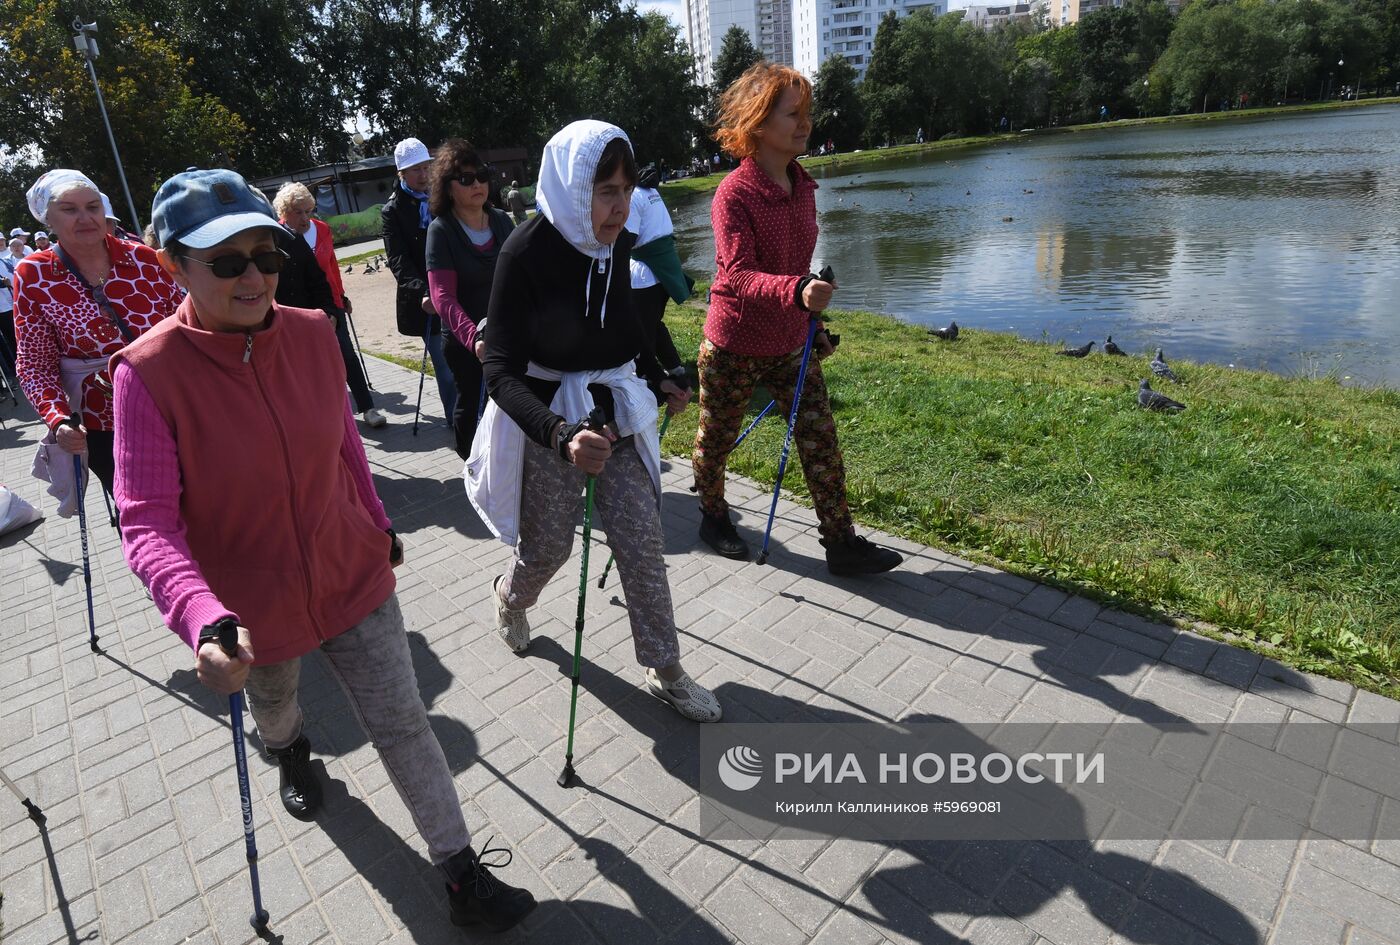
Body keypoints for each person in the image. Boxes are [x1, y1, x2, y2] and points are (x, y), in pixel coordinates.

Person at [111, 168, 536, 932]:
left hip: (350, 569)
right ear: (174, 263)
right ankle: (292, 752)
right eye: (227, 262)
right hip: (250, 606)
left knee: (404, 722)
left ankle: (460, 871)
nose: (254, 277)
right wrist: (203, 618)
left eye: (265, 256)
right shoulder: (147, 373)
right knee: (275, 708)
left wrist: (378, 524)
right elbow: (145, 522)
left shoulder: (311, 332)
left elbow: (346, 446)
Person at [470, 120, 722, 723]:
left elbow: (625, 323)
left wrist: (658, 373)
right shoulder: (523, 253)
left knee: (642, 541)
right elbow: (498, 371)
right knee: (547, 549)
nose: (621, 206)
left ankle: (665, 669)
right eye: (606, 191)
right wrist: (560, 436)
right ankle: (511, 596)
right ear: (571, 187)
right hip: (550, 421)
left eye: (627, 189)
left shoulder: (616, 241)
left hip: (612, 412)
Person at [693, 63, 902, 576]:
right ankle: (713, 516)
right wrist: (797, 291)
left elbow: (795, 267)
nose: (805, 123)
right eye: (793, 114)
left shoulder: (804, 186)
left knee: (821, 443)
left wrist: (814, 325)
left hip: (791, 342)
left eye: (807, 112)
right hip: (734, 344)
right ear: (759, 122)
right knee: (715, 443)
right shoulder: (734, 194)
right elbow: (738, 275)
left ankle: (841, 544)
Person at [14, 169, 182, 497]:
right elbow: (34, 364)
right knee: (140, 504)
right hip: (105, 421)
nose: (85, 217)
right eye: (69, 209)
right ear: (48, 219)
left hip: (175, 402)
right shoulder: (34, 275)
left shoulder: (145, 259)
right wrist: (59, 419)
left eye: (93, 207)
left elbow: (188, 324)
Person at [425, 140, 515, 459]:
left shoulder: (502, 220)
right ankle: (471, 463)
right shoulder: (441, 231)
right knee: (471, 403)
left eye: (481, 175)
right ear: (448, 188)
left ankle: (506, 463)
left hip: (507, 334)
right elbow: (442, 297)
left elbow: (523, 275)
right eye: (465, 179)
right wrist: (474, 337)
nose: (477, 184)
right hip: (467, 342)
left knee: (512, 401)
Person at [274, 182, 386, 428]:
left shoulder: (322, 229)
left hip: (330, 304)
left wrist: (341, 297)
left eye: (308, 211)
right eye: (298, 212)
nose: (305, 218)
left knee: (347, 355)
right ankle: (329, 417)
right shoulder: (278, 237)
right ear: (284, 213)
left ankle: (367, 408)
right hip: (299, 310)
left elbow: (332, 266)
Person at [382, 137, 457, 424]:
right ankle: (456, 422)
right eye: (416, 170)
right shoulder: (393, 211)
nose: (424, 175)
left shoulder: (443, 198)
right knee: (445, 365)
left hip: (458, 288)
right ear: (401, 173)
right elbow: (398, 259)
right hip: (428, 300)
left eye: (426, 167)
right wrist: (425, 291)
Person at [626, 163, 689, 380]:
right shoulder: (648, 190)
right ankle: (675, 367)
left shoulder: (633, 196)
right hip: (664, 267)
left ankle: (645, 374)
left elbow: (629, 238)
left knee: (642, 327)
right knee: (653, 322)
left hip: (646, 273)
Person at [0, 237, 20, 379]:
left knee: (14, 338)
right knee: (6, 342)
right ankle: (14, 371)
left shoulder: (4, 261)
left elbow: (12, 280)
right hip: (3, 309)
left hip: (8, 306)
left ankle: (21, 367)